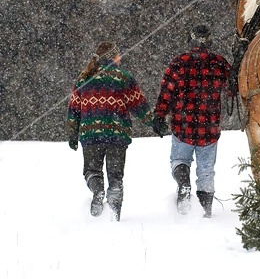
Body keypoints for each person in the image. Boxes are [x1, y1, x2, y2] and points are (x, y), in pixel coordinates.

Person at [66, 41, 164, 221]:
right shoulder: (123, 77)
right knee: (116, 177)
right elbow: (138, 105)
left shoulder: (83, 78)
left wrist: (72, 132)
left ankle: (97, 191)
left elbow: (74, 108)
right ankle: (113, 217)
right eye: (118, 55)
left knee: (92, 171)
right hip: (117, 135)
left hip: (91, 135)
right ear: (113, 57)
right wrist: (154, 122)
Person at [152, 24, 230, 217]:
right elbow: (231, 91)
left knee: (179, 160)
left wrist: (159, 116)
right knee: (206, 171)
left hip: (182, 125)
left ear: (190, 40)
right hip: (209, 127)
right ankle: (205, 211)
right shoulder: (220, 63)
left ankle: (183, 183)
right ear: (209, 41)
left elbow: (166, 93)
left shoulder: (178, 62)